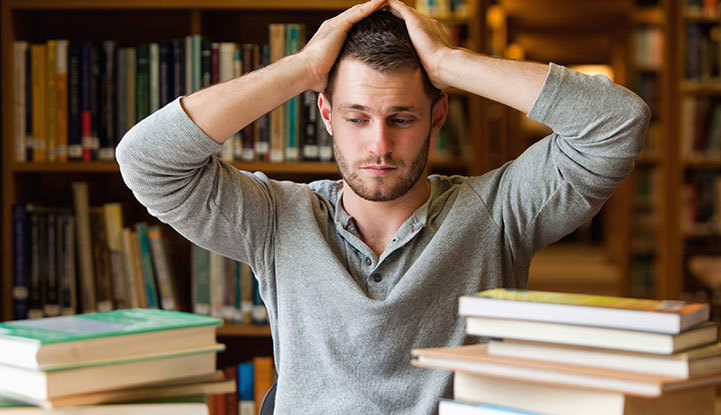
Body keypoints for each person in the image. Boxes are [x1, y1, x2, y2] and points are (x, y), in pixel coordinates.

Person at [116, 0, 650, 412]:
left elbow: (616, 125)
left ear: (437, 116)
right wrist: (304, 68)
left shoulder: (497, 213)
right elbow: (146, 160)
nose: (378, 145)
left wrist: (449, 62)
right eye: (356, 117)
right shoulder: (277, 220)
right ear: (325, 113)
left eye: (402, 117)